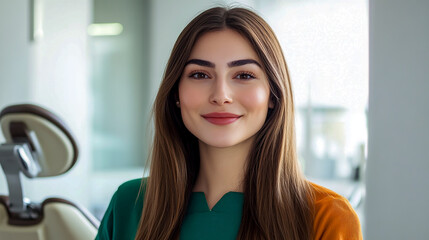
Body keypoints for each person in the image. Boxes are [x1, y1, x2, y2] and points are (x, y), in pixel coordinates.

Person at [95, 6, 362, 240]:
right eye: (199, 74)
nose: (221, 95)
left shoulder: (327, 216)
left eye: (244, 75)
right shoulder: (128, 204)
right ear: (176, 93)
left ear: (273, 95)